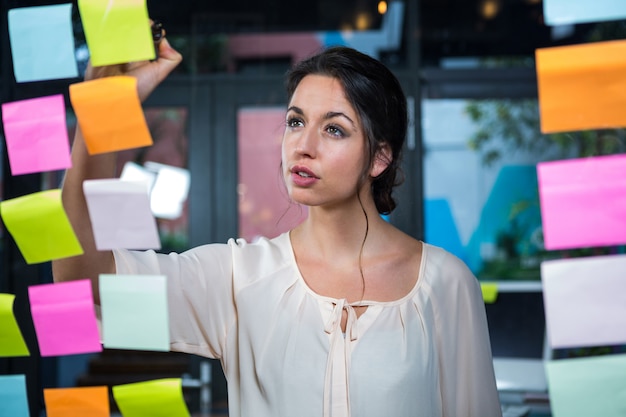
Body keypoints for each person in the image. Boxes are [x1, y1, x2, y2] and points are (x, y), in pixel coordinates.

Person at [52, 31, 502, 417]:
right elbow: (80, 277)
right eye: (295, 121)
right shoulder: (238, 278)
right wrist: (103, 113)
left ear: (380, 157)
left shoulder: (446, 283)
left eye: (334, 129)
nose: (302, 146)